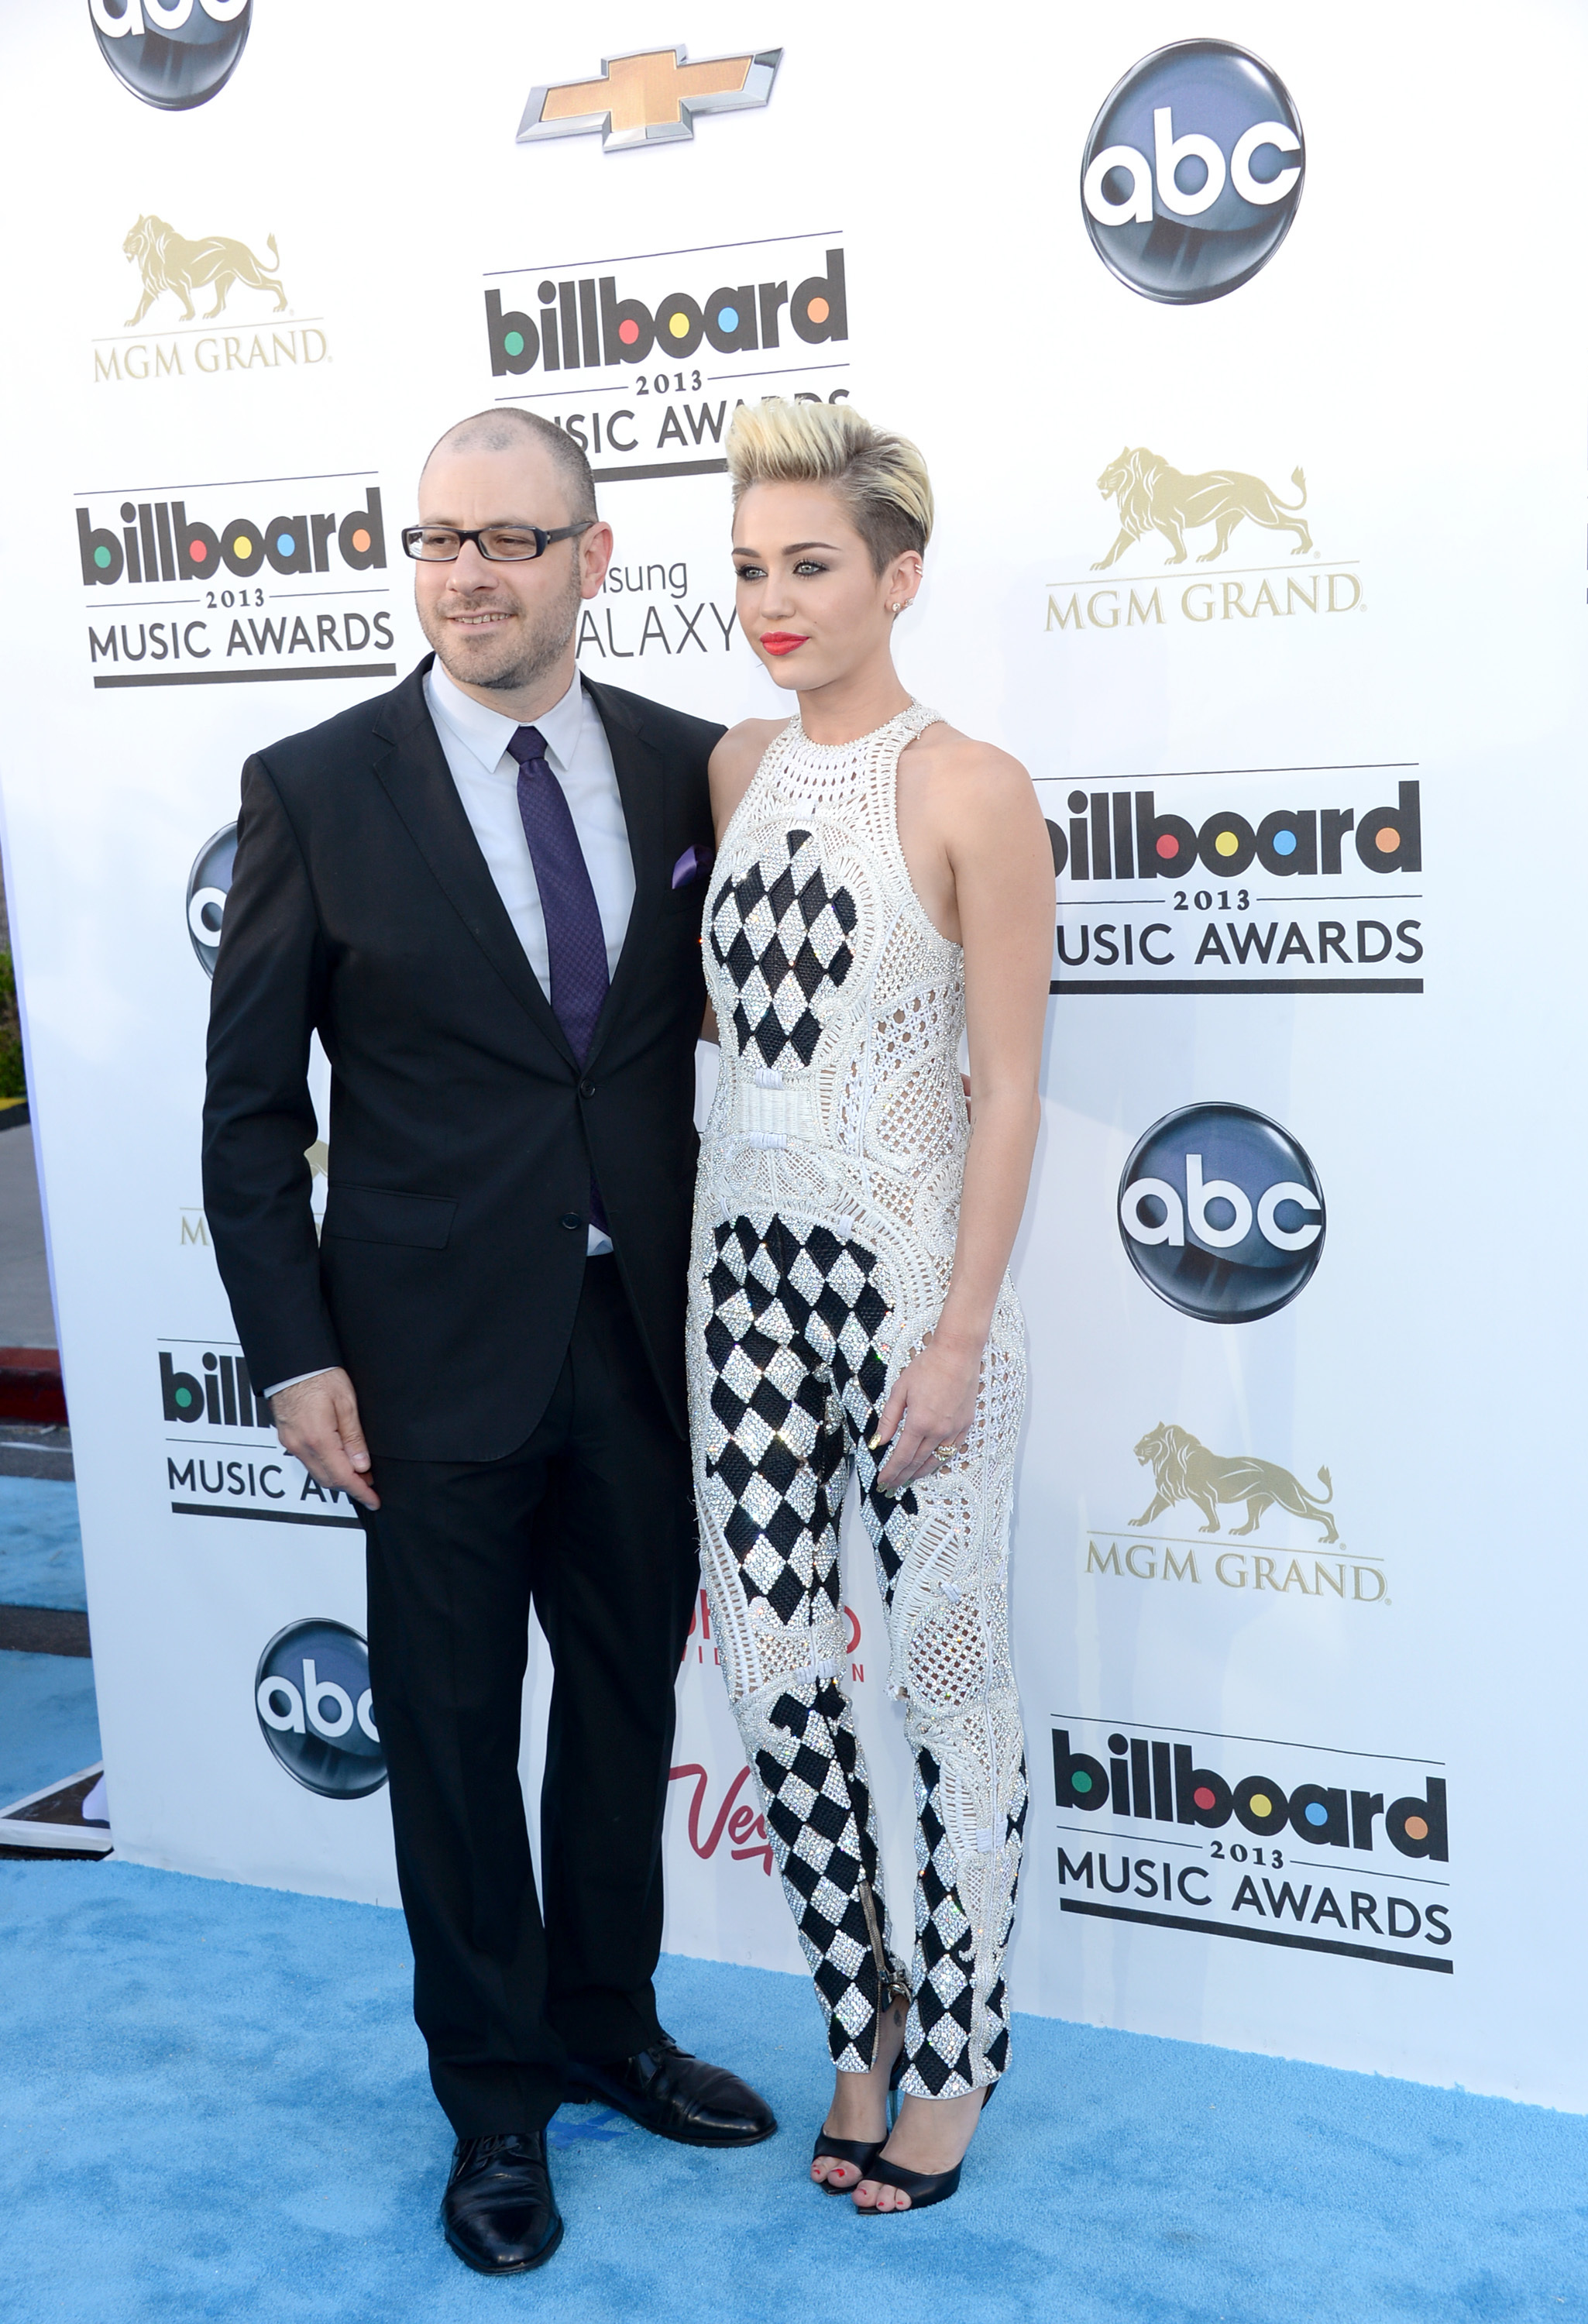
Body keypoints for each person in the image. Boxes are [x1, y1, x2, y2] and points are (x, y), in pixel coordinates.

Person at [201, 408, 775, 2280]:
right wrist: (293, 1355)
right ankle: (495, 2102)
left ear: (590, 562)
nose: (466, 575)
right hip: (422, 1358)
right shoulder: (315, 787)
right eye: (439, 539)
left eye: (508, 541)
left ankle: (608, 2026)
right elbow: (249, 1115)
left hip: (643, 1336)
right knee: (450, 1740)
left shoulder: (691, 767)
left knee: (620, 1714)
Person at [690, 403, 1054, 2213]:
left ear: (897, 578)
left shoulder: (971, 784)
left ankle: (961, 2055)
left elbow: (1010, 1087)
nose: (772, 600)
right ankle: (862, 2015)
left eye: (810, 566)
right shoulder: (735, 767)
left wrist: (959, 1335)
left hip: (911, 1296)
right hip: (736, 1284)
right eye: (750, 567)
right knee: (771, 1670)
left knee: (945, 1677)